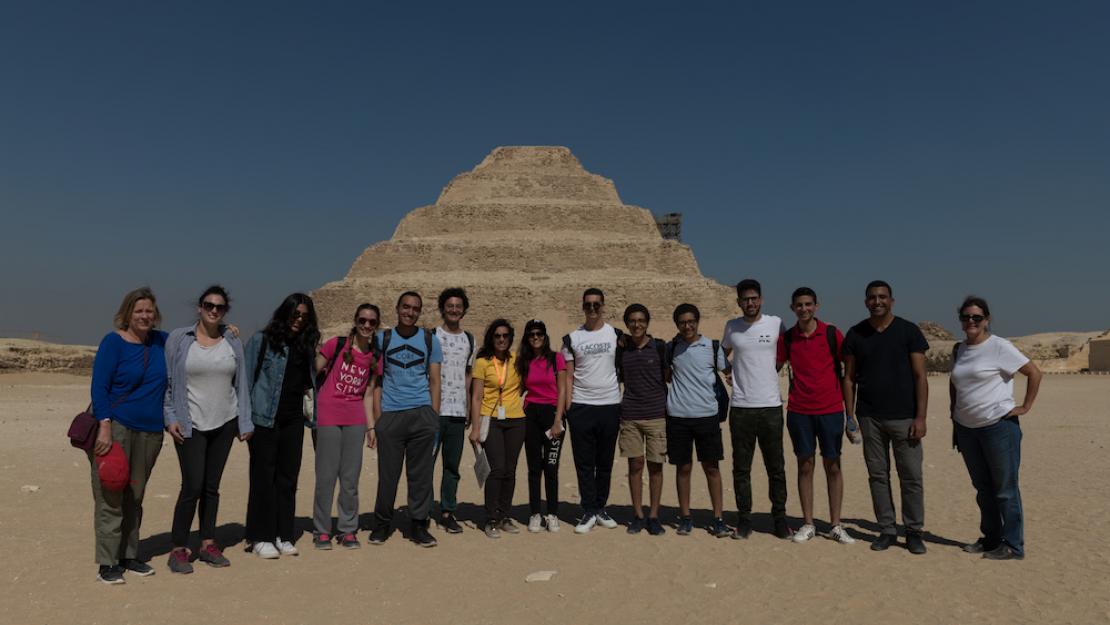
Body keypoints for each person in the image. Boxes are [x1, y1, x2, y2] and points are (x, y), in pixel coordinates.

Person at [164, 285, 253, 573]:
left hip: (225, 421)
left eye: (220, 307)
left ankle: (207, 543)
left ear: (225, 311)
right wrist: (170, 417)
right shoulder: (179, 339)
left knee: (211, 487)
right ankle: (178, 548)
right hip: (190, 423)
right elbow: (168, 382)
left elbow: (241, 383)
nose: (214, 310)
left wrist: (244, 421)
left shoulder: (232, 340)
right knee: (192, 486)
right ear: (199, 307)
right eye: (208, 305)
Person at [950, 296, 1041, 561]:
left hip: (998, 427)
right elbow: (955, 383)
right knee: (983, 488)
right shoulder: (959, 350)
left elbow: (1034, 373)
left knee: (1005, 489)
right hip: (967, 429)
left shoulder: (1000, 347)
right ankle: (991, 539)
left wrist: (1025, 406)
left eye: (977, 317)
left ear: (987, 319)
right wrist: (954, 416)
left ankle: (1013, 545)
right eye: (966, 317)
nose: (971, 322)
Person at [842, 280, 930, 554]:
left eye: (882, 297)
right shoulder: (856, 334)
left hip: (904, 417)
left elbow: (920, 376)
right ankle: (887, 529)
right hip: (870, 417)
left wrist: (921, 417)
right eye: (872, 297)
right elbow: (848, 378)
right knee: (878, 476)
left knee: (911, 476)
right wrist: (850, 415)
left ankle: (914, 531)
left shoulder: (908, 331)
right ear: (865, 301)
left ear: (892, 300)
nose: (877, 301)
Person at [89, 287, 168, 584]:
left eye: (149, 311)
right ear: (127, 314)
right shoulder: (113, 343)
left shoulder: (162, 341)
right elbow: (99, 387)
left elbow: (196, 338)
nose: (145, 316)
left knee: (135, 496)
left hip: (150, 432)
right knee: (111, 494)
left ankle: (129, 555)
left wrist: (226, 328)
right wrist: (105, 426)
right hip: (117, 428)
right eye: (139, 311)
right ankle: (107, 563)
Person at [243, 293, 320, 559]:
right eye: (295, 314)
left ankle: (283, 534)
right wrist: (244, 420)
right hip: (264, 418)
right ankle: (259, 536)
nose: (298, 320)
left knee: (288, 479)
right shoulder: (261, 341)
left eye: (304, 317)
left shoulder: (306, 345)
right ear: (284, 313)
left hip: (293, 420)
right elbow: (245, 381)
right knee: (263, 478)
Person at [777, 287, 855, 545]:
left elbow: (850, 370)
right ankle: (808, 523)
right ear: (792, 308)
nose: (804, 309)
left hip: (831, 409)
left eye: (808, 304)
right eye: (799, 305)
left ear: (816, 306)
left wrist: (851, 413)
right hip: (800, 411)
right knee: (805, 465)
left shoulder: (832, 334)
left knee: (833, 466)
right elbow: (770, 367)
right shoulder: (788, 338)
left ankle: (835, 524)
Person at [368, 291, 442, 548]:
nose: (410, 312)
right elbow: (376, 382)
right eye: (406, 307)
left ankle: (418, 525)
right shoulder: (382, 339)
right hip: (391, 414)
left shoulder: (430, 340)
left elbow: (435, 381)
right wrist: (379, 420)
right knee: (388, 476)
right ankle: (381, 524)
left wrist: (433, 417)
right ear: (397, 308)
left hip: (421, 412)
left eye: (415, 309)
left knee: (420, 476)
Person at [722, 279, 790, 539]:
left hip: (771, 406)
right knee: (741, 468)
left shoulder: (776, 324)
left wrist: (771, 372)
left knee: (776, 467)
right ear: (738, 302)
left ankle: (780, 519)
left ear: (761, 299)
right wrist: (730, 372)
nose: (750, 303)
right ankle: (745, 519)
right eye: (745, 299)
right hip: (741, 407)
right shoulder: (732, 327)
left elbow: (783, 353)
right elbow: (721, 352)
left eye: (754, 298)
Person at [311, 304, 379, 550]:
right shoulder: (336, 345)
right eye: (363, 320)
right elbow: (311, 372)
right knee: (326, 477)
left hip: (355, 420)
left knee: (350, 479)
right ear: (355, 320)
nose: (367, 325)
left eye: (372, 322)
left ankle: (348, 529)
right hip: (328, 416)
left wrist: (371, 428)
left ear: (376, 325)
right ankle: (322, 530)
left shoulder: (374, 356)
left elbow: (369, 394)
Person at [561, 288, 623, 534]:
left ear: (604, 306)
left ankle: (600, 508)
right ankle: (588, 510)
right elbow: (568, 375)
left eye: (597, 304)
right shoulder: (572, 339)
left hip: (609, 405)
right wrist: (569, 408)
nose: (593, 309)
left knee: (605, 462)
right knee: (584, 463)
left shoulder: (617, 335)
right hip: (582, 406)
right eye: (588, 305)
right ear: (582, 307)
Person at [667, 303, 731, 538]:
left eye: (691, 321)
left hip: (707, 416)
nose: (687, 326)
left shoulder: (712, 347)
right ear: (677, 325)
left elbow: (731, 373)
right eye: (682, 322)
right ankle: (685, 517)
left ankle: (718, 518)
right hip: (678, 417)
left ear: (697, 321)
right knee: (683, 468)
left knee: (712, 468)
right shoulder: (671, 348)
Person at [469, 320, 527, 538]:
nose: (501, 339)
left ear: (510, 337)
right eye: (497, 336)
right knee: (496, 469)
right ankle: (491, 517)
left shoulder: (517, 360)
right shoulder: (483, 362)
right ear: (491, 338)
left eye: (505, 336)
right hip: (491, 418)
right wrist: (475, 428)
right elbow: (476, 397)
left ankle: (504, 515)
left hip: (516, 419)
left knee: (511, 470)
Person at [618, 304, 669, 535]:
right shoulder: (623, 349)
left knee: (656, 467)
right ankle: (638, 515)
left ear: (647, 323)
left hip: (656, 415)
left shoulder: (659, 348)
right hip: (630, 416)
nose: (637, 324)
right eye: (632, 321)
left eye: (641, 320)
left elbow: (670, 375)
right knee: (635, 465)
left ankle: (654, 515)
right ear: (627, 324)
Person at [516, 319, 567, 533]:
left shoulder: (556, 359)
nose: (535, 337)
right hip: (531, 415)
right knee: (534, 467)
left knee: (551, 467)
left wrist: (558, 420)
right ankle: (535, 513)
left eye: (539, 334)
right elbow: (517, 389)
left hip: (552, 415)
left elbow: (563, 390)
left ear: (545, 336)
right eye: (531, 334)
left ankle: (552, 513)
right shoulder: (524, 361)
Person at [432, 288, 476, 534]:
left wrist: (469, 407)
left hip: (458, 412)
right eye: (450, 305)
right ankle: (424, 510)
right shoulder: (431, 336)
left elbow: (469, 375)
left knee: (452, 466)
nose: (454, 310)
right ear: (442, 308)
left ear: (464, 310)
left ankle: (448, 511)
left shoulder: (470, 339)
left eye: (458, 306)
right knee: (425, 465)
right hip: (433, 411)